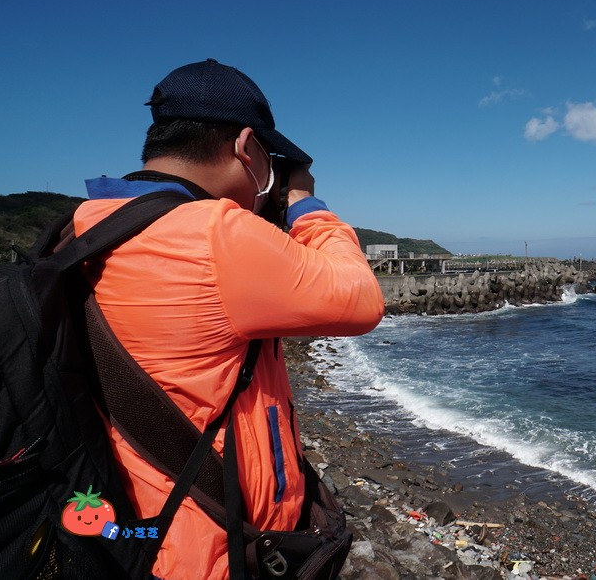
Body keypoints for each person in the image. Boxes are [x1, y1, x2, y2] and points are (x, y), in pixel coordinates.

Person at [72, 58, 384, 578]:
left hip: (126, 526)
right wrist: (306, 204)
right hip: (205, 548)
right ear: (247, 149)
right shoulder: (218, 235)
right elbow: (360, 299)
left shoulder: (88, 224)